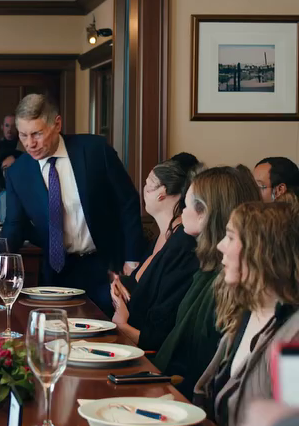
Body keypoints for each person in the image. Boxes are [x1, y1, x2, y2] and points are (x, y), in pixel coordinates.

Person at [0, 93, 144, 314]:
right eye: (23, 135)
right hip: (57, 272)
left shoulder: (94, 150)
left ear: (57, 124)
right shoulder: (18, 172)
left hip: (106, 266)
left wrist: (132, 261)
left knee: (107, 329)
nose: (30, 144)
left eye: (37, 134)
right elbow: (15, 226)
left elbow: (127, 202)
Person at [152, 165, 262, 399]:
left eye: (186, 205)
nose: (182, 212)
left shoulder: (225, 283)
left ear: (205, 213)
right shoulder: (207, 271)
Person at [194, 201, 299, 426]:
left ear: (261, 251)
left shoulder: (294, 336)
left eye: (230, 237)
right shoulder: (245, 313)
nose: (220, 245)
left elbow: (291, 419)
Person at [110, 155, 202, 351]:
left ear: (162, 192)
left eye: (148, 183)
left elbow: (162, 332)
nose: (143, 189)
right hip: (128, 344)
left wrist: (122, 325)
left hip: (148, 355)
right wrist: (118, 286)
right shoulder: (162, 235)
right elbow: (138, 287)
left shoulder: (183, 244)